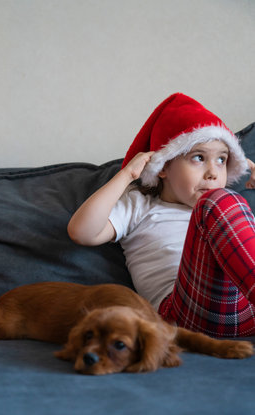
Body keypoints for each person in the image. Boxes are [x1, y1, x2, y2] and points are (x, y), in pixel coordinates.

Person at [68, 93, 255, 337]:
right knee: (218, 202)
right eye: (199, 158)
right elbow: (82, 232)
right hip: (182, 314)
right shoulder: (139, 205)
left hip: (245, 307)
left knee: (231, 205)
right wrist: (126, 176)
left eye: (221, 160)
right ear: (164, 166)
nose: (212, 173)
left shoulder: (228, 209)